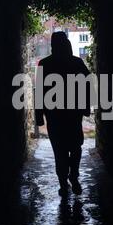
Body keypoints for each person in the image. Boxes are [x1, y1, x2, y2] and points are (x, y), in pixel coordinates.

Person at [35, 32, 91, 197]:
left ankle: (63, 183)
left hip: (55, 116)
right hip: (73, 115)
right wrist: (85, 107)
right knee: (75, 148)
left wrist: (39, 115)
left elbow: (39, 92)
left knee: (59, 151)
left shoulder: (44, 64)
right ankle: (73, 177)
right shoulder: (77, 62)